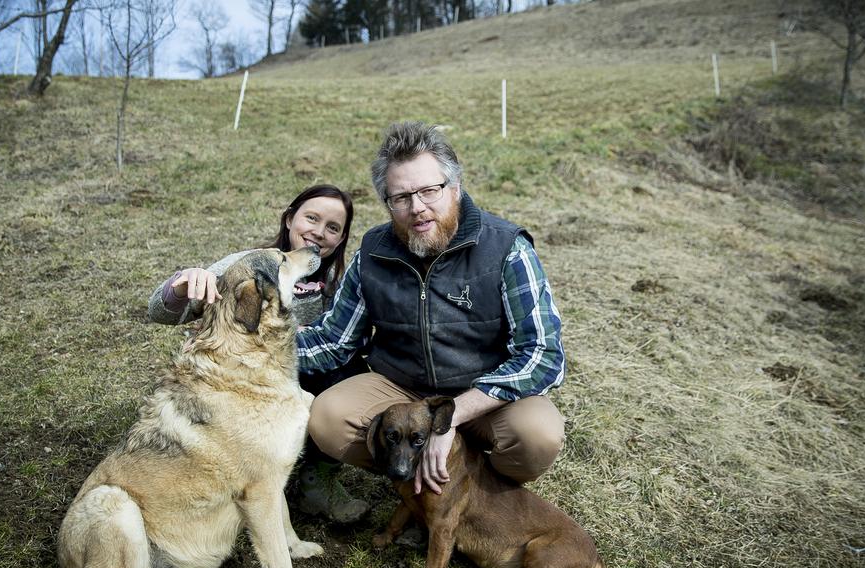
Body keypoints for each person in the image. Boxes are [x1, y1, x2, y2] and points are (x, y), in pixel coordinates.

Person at [297, 121, 566, 496]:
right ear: (388, 202)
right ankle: (420, 481)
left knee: (538, 435)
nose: (417, 208)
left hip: (485, 394)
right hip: (401, 390)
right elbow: (333, 340)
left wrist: (449, 419)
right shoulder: (373, 254)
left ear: (455, 187)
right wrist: (247, 348)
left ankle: (472, 487)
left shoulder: (507, 249)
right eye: (401, 197)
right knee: (327, 417)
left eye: (429, 190)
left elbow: (544, 355)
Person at [148, 184, 370, 522]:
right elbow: (160, 312)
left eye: (333, 228)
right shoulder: (246, 267)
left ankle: (316, 476)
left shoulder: (340, 286)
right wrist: (182, 284)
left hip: (298, 376)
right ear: (289, 219)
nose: (319, 233)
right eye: (312, 218)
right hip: (238, 386)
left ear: (340, 240)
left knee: (352, 370)